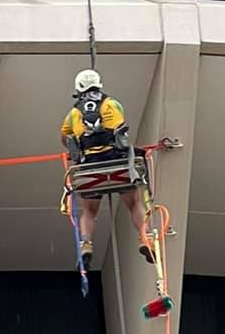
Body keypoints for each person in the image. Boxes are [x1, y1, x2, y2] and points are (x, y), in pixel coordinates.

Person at [59, 71, 154, 278]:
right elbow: (120, 129)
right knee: (134, 202)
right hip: (116, 162)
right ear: (98, 85)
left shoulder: (73, 114)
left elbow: (64, 136)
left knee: (89, 211)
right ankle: (144, 236)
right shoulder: (112, 104)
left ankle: (86, 243)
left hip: (91, 168)